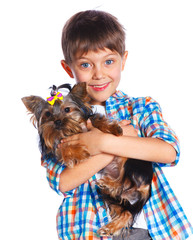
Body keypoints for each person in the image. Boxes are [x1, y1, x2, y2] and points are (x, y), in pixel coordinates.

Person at [41, 10, 193, 240]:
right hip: (90, 229)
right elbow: (62, 181)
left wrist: (103, 140)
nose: (99, 74)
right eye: (85, 65)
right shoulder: (58, 120)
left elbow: (169, 151)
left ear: (124, 60)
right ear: (68, 67)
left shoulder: (139, 108)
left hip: (148, 226)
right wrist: (113, 146)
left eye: (109, 62)